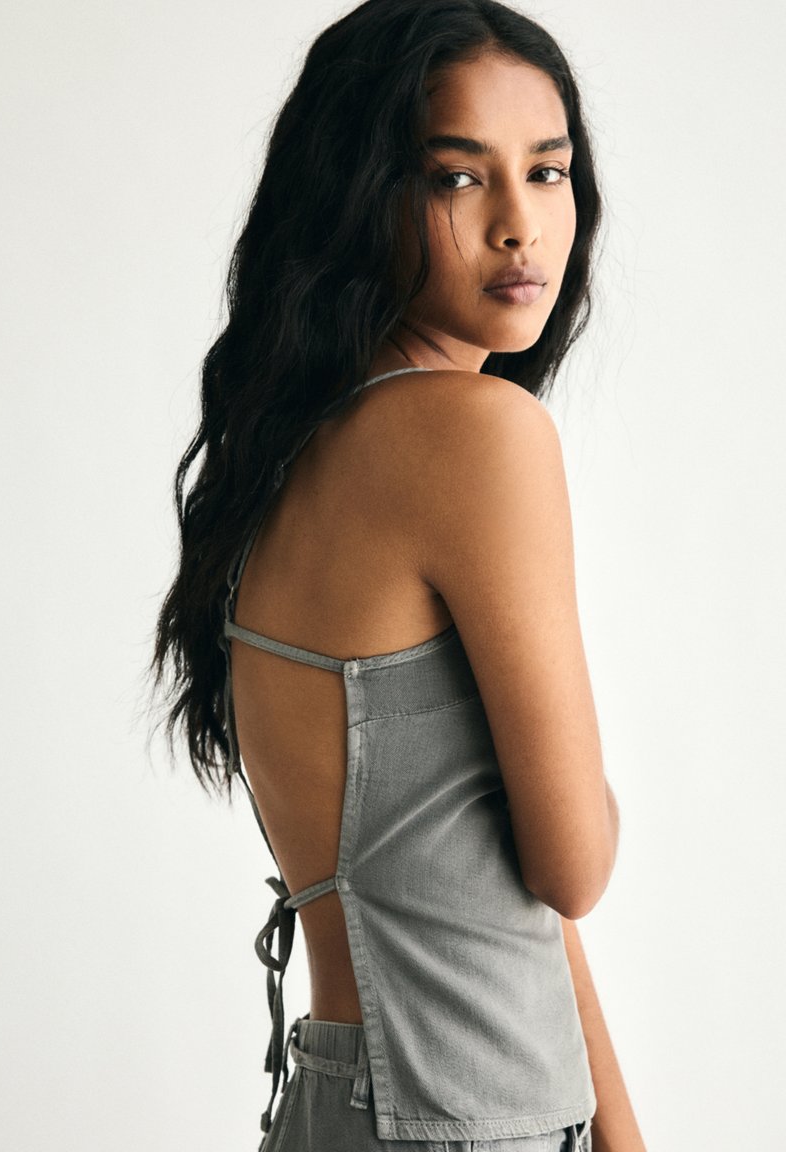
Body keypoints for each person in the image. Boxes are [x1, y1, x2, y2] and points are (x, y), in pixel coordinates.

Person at [152, 1, 646, 1149]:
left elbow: (512, 903)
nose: (519, 224)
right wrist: (588, 791)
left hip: (339, 1103)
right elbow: (570, 866)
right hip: (464, 1120)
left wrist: (618, 1132)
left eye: (546, 171)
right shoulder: (478, 435)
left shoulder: (286, 455)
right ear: (360, 193)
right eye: (456, 178)